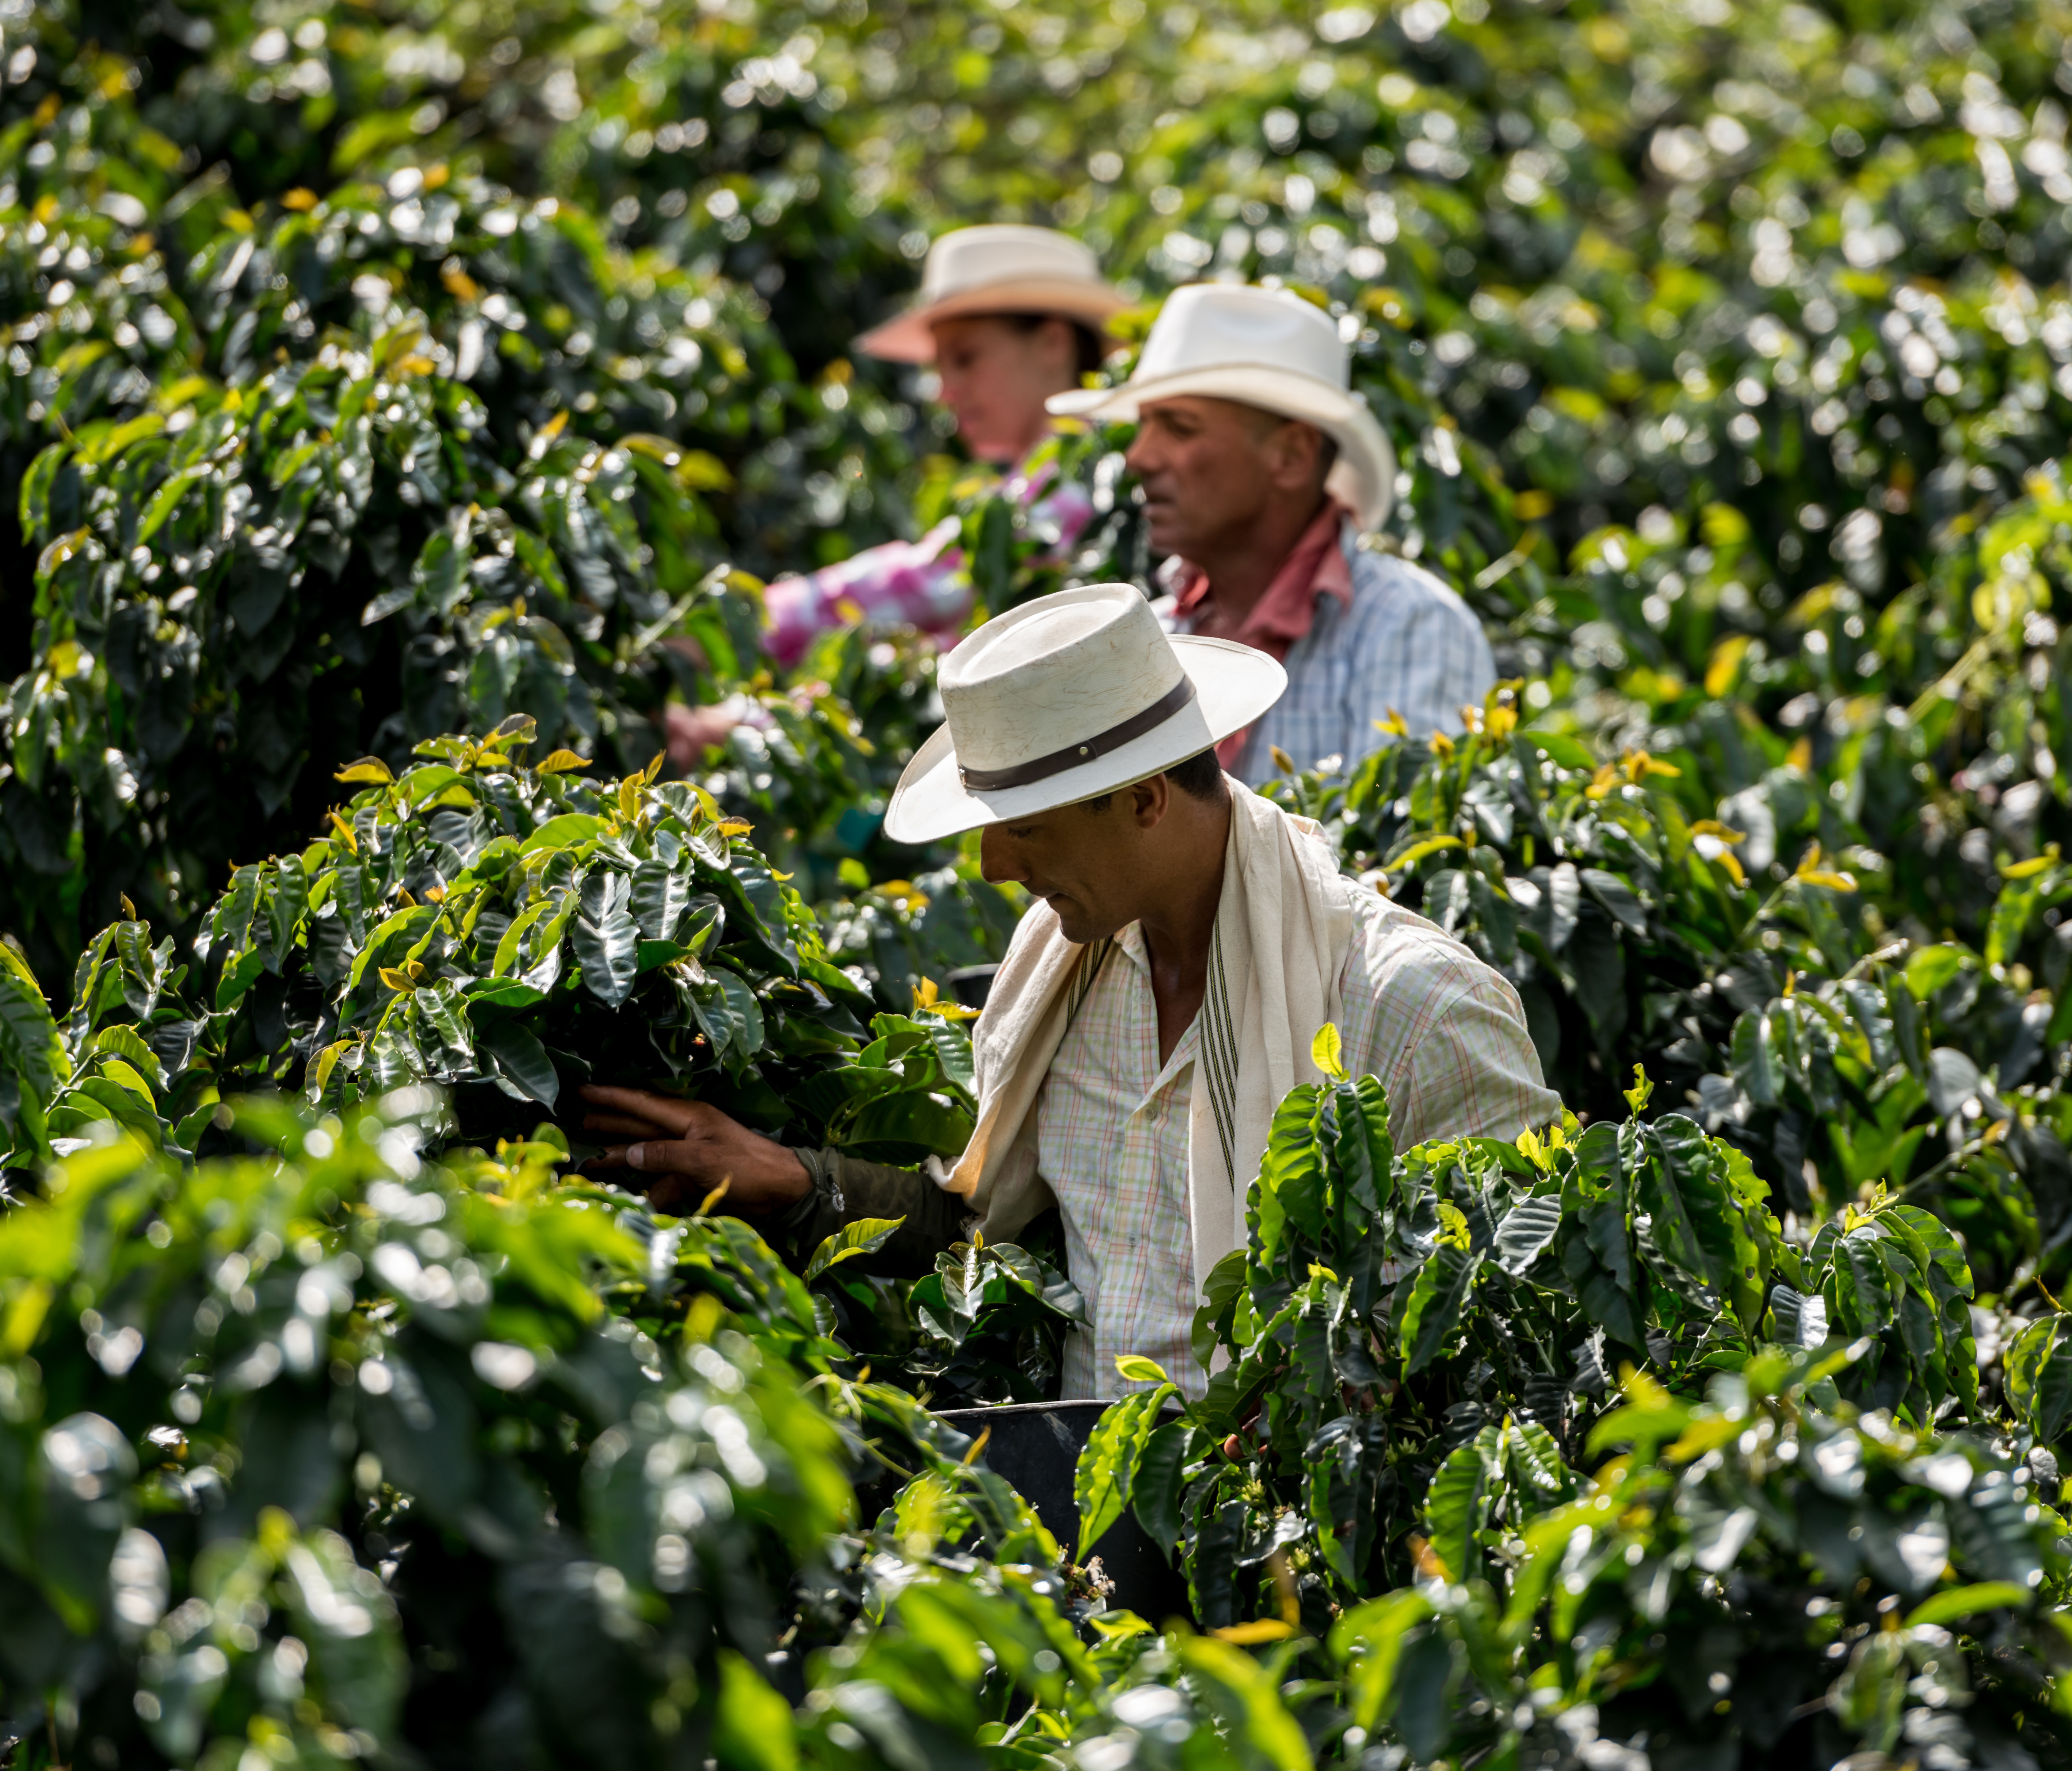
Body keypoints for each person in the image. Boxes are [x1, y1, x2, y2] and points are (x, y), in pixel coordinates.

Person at [586, 585, 1560, 1399]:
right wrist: (795, 1178)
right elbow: (979, 1218)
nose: (990, 863)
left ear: (1144, 801)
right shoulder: (1066, 968)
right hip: (1094, 1537)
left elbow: (1513, 1341)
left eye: (1025, 826)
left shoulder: (1414, 1011)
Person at [665, 226, 1120, 767]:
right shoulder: (1036, 480)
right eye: (939, 367)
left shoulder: (1089, 473)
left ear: (1052, 344)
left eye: (966, 358)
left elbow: (937, 582)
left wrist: (735, 629)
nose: (945, 391)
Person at [1048, 283, 1497, 784]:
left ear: (1291, 457)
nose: (1140, 458)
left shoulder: (1406, 626)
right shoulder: (1156, 637)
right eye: (1144, 426)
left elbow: (1397, 853)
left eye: (1179, 427)